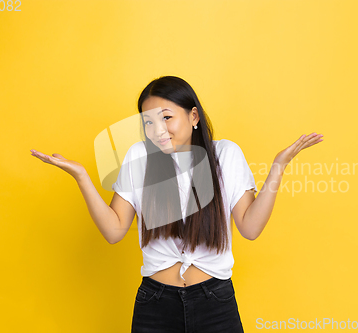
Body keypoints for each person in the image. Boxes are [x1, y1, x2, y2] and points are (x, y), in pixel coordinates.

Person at [30, 75, 324, 332]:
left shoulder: (225, 155)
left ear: (194, 117)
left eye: (166, 117)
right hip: (155, 305)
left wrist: (278, 167)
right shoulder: (140, 158)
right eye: (149, 122)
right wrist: (81, 177)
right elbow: (114, 230)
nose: (158, 130)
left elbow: (250, 226)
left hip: (215, 303)